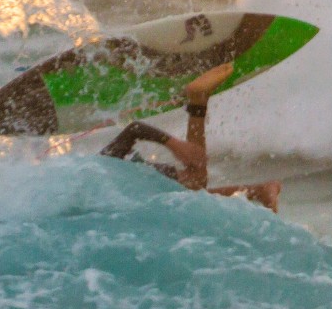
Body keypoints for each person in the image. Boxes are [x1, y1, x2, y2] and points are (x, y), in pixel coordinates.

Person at [100, 64, 282, 211]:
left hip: (126, 173)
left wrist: (174, 144)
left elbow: (135, 129)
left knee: (195, 181)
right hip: (129, 179)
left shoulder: (94, 173)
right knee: (190, 192)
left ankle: (198, 102)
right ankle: (258, 191)